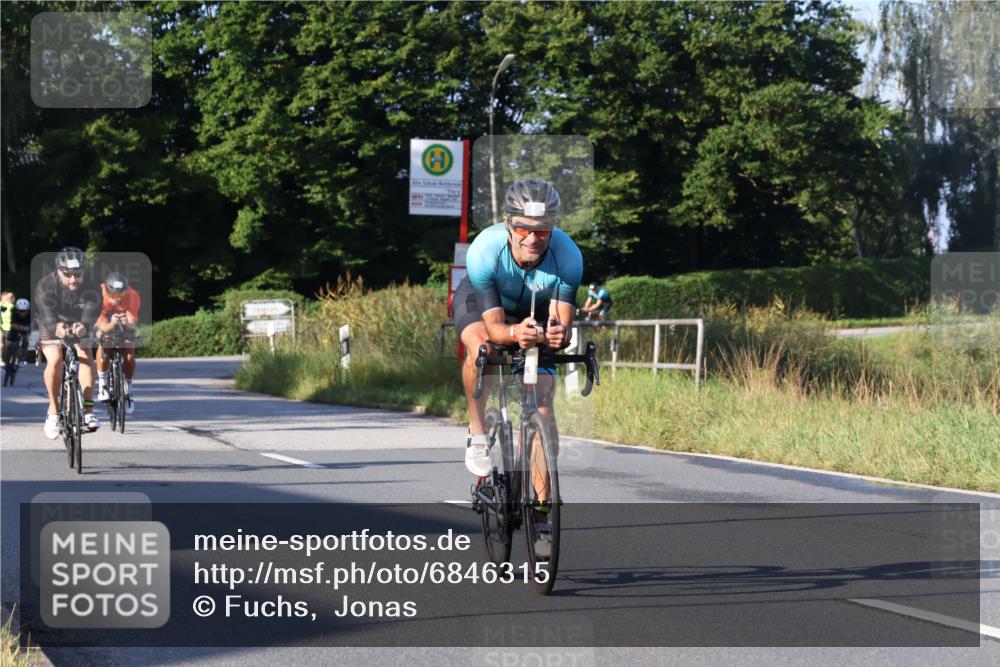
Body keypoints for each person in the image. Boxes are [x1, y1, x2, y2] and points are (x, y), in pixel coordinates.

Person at [34, 247, 102, 437]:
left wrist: (84, 326)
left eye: (78, 274)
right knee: (55, 360)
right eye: (67, 274)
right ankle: (54, 411)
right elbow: (47, 317)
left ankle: (88, 411)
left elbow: (91, 313)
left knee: (85, 355)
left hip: (79, 320)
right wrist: (58, 328)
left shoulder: (92, 285)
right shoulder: (46, 285)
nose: (73, 279)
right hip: (51, 322)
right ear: (58, 271)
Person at [95, 272, 140, 414]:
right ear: (107, 291)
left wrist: (127, 323)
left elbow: (133, 324)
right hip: (104, 321)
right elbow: (101, 325)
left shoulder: (132, 295)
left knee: (129, 355)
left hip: (123, 322)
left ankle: (128, 388)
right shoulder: (98, 295)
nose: (118, 299)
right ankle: (102, 383)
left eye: (121, 295)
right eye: (114, 296)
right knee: (104, 343)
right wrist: (110, 325)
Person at [5, 298, 32, 365]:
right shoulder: (13, 311)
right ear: (17, 309)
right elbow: (12, 325)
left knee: (26, 340)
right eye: (20, 311)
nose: (22, 313)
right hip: (15, 326)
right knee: (9, 342)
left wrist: (28, 328)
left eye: (24, 311)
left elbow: (32, 324)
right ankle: (7, 357)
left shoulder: (31, 313)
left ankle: (23, 357)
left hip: (25, 325)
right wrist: (21, 328)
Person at [0, 292, 14, 366]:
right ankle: (1, 359)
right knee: (1, 345)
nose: (7, 299)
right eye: (5, 297)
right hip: (1, 328)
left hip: (9, 329)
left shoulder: (10, 306)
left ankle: (6, 360)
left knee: (7, 346)